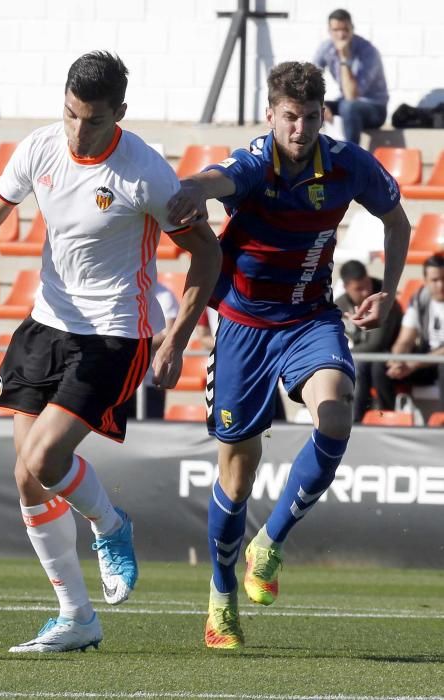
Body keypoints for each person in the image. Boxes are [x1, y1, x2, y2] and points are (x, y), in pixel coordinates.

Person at [0, 51, 221, 653]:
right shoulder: (40, 148)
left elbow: (208, 254)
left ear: (119, 113)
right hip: (45, 325)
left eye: (92, 121)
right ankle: (77, 617)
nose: (78, 131)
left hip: (115, 332)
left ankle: (111, 526)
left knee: (42, 459)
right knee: (27, 479)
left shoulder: (145, 174)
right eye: (70, 114)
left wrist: (177, 339)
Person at [167, 61, 410, 650]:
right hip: (243, 327)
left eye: (309, 117)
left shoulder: (348, 164)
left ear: (322, 116)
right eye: (289, 116)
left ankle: (269, 544)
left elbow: (397, 221)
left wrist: (390, 290)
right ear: (271, 115)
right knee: (238, 469)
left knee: (336, 413)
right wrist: (186, 194)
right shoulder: (254, 163)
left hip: (308, 318)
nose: (299, 128)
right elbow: (213, 179)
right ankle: (221, 599)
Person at [336, 259, 403, 421]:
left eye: (366, 284)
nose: (366, 292)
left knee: (367, 366)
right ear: (346, 288)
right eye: (358, 289)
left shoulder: (384, 300)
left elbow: (376, 344)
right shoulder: (340, 305)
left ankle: (357, 421)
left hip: (388, 356)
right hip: (361, 357)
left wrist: (344, 353)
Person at [313, 8, 388, 144]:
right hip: (346, 104)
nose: (341, 35)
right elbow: (311, 79)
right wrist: (320, 103)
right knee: (312, 106)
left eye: (345, 29)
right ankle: (312, 155)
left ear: (352, 28)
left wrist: (344, 58)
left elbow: (352, 96)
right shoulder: (326, 48)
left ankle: (351, 157)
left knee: (348, 107)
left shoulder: (368, 51)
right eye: (336, 30)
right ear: (329, 31)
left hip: (374, 108)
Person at [386, 254, 444, 410]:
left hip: (434, 362)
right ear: (425, 281)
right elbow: (405, 340)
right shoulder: (420, 298)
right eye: (435, 280)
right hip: (426, 360)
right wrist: (398, 359)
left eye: (443, 279)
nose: (440, 285)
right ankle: (383, 419)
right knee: (380, 368)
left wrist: (413, 364)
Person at [125, 281, 180, 419]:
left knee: (148, 434)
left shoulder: (165, 295)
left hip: (149, 381)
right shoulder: (124, 290)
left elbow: (168, 336)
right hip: (120, 382)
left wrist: (129, 347)